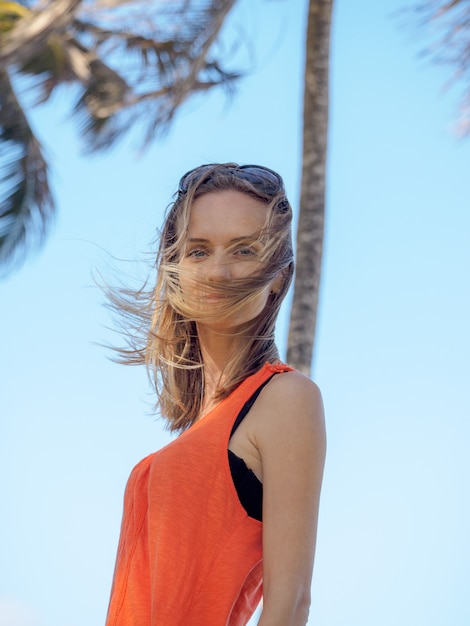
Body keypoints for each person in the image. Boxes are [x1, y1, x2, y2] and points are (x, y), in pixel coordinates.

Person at [105, 163, 326, 626]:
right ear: (176, 268)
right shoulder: (202, 425)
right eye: (198, 251)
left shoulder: (285, 398)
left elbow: (289, 605)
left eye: (244, 250)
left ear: (278, 277)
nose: (219, 272)